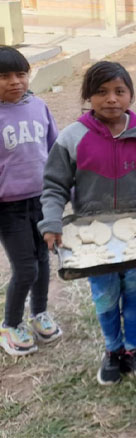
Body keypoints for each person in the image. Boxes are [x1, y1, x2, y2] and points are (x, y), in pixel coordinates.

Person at [38, 61, 136, 385]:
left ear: (130, 95)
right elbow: (54, 186)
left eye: (119, 91)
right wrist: (51, 221)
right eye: (101, 92)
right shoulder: (72, 138)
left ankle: (134, 348)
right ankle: (112, 350)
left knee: (134, 290)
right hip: (92, 239)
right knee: (105, 295)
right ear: (88, 96)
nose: (111, 99)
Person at [0, 46, 61, 356]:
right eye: (4, 76)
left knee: (43, 260)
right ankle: (10, 325)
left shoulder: (38, 106)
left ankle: (39, 314)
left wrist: (65, 191)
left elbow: (55, 150)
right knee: (25, 269)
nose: (15, 81)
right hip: (8, 207)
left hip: (42, 199)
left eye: (21, 74)